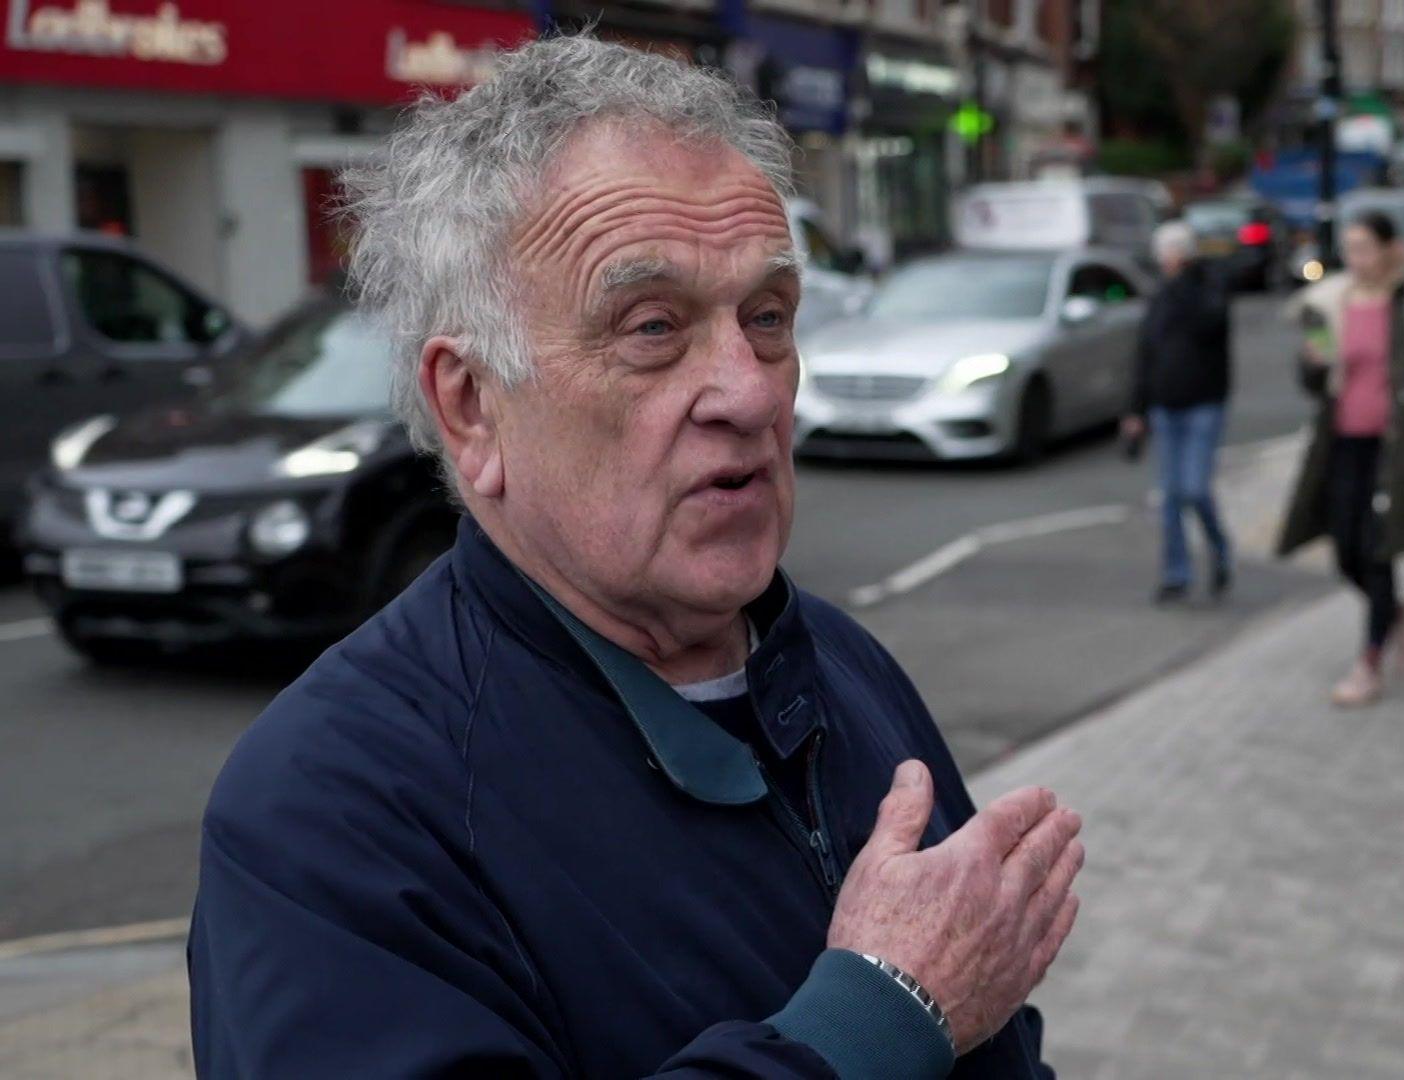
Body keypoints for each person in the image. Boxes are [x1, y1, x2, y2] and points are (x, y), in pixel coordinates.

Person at [187, 38, 1083, 1080]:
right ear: (471, 407)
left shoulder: (842, 666)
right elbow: (915, 1010)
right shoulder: (329, 811)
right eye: (653, 328)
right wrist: (881, 1014)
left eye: (768, 318)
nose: (750, 391)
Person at [1278, 212, 1404, 707]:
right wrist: (1312, 363)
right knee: (1346, 550)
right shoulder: (1331, 302)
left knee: (1378, 548)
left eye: (1364, 248)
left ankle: (1369, 664)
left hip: (1395, 446)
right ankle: (1394, 612)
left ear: (1389, 249)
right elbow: (1316, 381)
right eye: (1350, 249)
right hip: (1342, 444)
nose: (1355, 259)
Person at [1123, 221, 1234, 604]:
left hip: (1203, 404)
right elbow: (1146, 355)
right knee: (1169, 496)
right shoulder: (1160, 297)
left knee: (1195, 489)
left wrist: (1188, 278)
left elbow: (1211, 322)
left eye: (1170, 253)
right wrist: (1136, 409)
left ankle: (1219, 549)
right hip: (1165, 407)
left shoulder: (1207, 287)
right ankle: (1176, 574)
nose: (1164, 261)